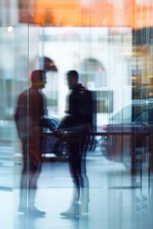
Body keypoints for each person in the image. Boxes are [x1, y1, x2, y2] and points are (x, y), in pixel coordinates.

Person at [14, 69, 59, 217]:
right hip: (34, 141)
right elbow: (41, 119)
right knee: (33, 173)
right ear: (37, 79)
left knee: (27, 173)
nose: (45, 81)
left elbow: (17, 117)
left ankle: (23, 204)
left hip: (28, 140)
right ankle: (29, 205)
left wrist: (22, 137)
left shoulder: (24, 95)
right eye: (44, 79)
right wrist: (54, 129)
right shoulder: (38, 96)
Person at [59, 70, 94, 218]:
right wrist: (91, 136)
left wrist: (60, 127)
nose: (67, 83)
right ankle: (84, 202)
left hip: (75, 136)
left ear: (73, 78)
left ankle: (76, 204)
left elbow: (71, 116)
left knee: (75, 170)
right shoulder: (86, 93)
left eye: (68, 80)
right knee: (81, 170)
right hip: (84, 135)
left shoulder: (74, 95)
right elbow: (91, 117)